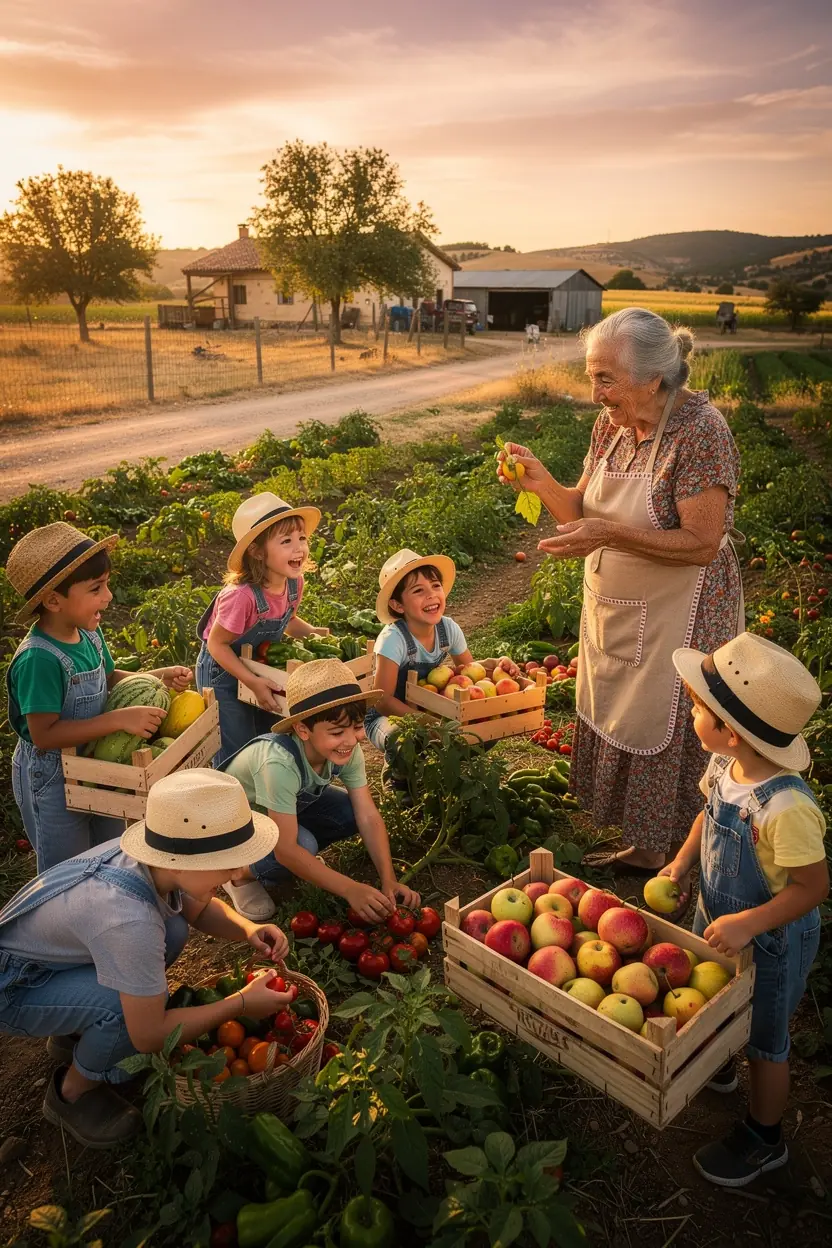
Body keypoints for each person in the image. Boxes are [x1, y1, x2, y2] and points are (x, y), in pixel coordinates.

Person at [497, 307, 743, 895]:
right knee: (625, 711)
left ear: (654, 379)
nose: (595, 392)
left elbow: (703, 543)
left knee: (678, 726)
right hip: (623, 606)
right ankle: (645, 848)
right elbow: (580, 511)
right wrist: (540, 482)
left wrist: (608, 534)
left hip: (684, 609)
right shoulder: (610, 426)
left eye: (606, 378)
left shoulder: (700, 431)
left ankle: (690, 863)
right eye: (592, 376)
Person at [0, 769, 293, 1148]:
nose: (239, 872)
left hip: (49, 962)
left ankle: (75, 1031)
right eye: (228, 861)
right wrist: (239, 1003)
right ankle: (72, 1093)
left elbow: (199, 910)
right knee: (121, 1013)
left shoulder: (152, 860)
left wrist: (246, 930)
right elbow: (150, 1034)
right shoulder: (127, 919)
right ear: (175, 863)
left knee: (172, 930)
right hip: (15, 987)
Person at [660, 633, 828, 1187]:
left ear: (729, 731)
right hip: (720, 918)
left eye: (698, 706)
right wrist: (680, 867)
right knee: (715, 1000)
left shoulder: (785, 807)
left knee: (765, 1039)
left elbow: (812, 886)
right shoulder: (725, 766)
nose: (690, 709)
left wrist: (750, 923)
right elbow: (704, 819)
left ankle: (764, 1138)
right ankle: (720, 1067)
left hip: (770, 938)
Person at [5, 522, 192, 872]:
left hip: (100, 762)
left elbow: (108, 679)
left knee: (111, 850)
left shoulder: (88, 634)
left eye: (106, 584)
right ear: (52, 600)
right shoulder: (39, 659)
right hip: (53, 777)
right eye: (96, 588)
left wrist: (154, 678)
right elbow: (44, 734)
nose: (107, 597)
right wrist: (119, 720)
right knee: (69, 868)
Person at [223, 658, 421, 922]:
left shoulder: (348, 749)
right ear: (302, 729)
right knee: (301, 845)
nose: (350, 740)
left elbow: (368, 816)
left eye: (358, 727)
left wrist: (389, 880)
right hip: (234, 827)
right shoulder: (278, 763)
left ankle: (303, 863)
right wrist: (350, 889)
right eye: (337, 732)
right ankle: (237, 873)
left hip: (282, 808)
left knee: (350, 813)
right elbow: (286, 850)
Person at [195, 492, 326, 767]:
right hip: (222, 674)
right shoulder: (241, 596)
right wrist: (251, 681)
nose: (299, 548)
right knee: (236, 749)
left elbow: (287, 620)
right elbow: (217, 645)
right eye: (286, 541)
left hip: (260, 668)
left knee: (271, 736)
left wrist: (315, 637)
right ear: (256, 551)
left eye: (302, 538)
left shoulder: (294, 584)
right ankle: (233, 803)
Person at [364, 548, 520, 754]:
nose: (431, 595)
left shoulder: (447, 629)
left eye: (435, 586)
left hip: (428, 709)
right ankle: (398, 778)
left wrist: (494, 663)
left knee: (481, 730)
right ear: (398, 605)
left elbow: (467, 672)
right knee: (403, 739)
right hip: (387, 717)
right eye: (418, 591)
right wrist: (428, 722)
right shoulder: (393, 640)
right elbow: (382, 701)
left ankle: (453, 772)